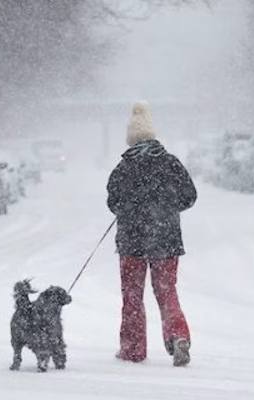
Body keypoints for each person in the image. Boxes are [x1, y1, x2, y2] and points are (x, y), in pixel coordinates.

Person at [106, 101, 197, 367]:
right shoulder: (170, 163)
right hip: (165, 239)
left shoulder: (124, 168)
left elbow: (113, 202)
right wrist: (167, 210)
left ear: (131, 139)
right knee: (167, 292)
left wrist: (130, 210)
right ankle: (179, 336)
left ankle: (133, 348)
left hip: (132, 242)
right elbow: (190, 196)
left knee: (132, 295)